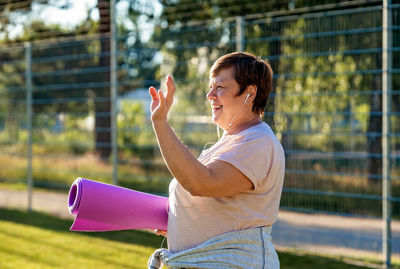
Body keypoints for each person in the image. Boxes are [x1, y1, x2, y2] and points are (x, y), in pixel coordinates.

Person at [148, 52, 285, 269]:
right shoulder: (230, 143)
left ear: (250, 93)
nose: (210, 95)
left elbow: (201, 183)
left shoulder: (259, 142)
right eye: (211, 87)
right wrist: (182, 220)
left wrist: (160, 123)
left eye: (220, 87)